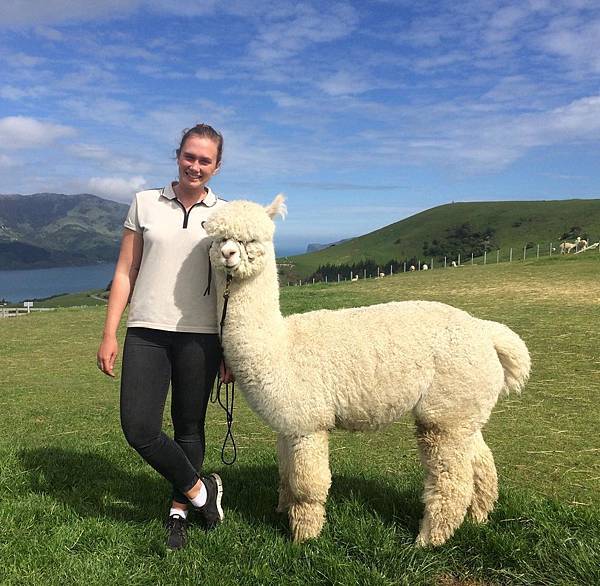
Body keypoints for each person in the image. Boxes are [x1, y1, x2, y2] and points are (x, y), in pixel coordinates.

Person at [97, 123, 232, 550]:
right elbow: (125, 271)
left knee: (189, 426)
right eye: (189, 156)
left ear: (217, 166)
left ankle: (178, 513)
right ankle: (202, 492)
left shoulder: (224, 214)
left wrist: (230, 347)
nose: (195, 166)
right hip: (146, 330)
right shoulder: (144, 203)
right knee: (138, 427)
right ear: (178, 156)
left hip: (202, 335)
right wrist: (109, 332)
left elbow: (232, 287)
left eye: (205, 160)